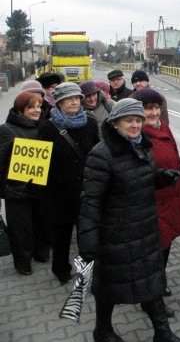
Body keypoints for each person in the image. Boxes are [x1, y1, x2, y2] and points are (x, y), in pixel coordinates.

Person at [78, 99, 180, 342]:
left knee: (152, 281)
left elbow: (142, 179)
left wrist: (162, 177)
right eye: (129, 120)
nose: (135, 125)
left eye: (139, 120)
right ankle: (103, 331)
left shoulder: (143, 146)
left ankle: (162, 333)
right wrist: (88, 243)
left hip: (146, 228)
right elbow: (90, 202)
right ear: (115, 122)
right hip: (117, 234)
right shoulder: (102, 155)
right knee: (108, 286)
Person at [131, 88, 180, 306]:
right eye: (149, 108)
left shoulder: (164, 128)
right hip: (153, 200)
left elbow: (175, 157)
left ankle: (158, 283)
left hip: (172, 195)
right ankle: (150, 297)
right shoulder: (136, 135)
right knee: (153, 250)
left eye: (157, 108)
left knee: (165, 246)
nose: (154, 113)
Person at [38, 83, 100, 284]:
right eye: (69, 99)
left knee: (87, 237)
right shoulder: (47, 127)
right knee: (61, 237)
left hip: (85, 192)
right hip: (58, 194)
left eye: (77, 98)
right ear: (59, 102)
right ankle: (61, 270)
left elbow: (98, 154)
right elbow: (38, 162)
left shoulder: (90, 123)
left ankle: (87, 272)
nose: (74, 102)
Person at [0, 91, 50, 275]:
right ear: (20, 109)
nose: (37, 110)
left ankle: (41, 253)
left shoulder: (45, 127)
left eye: (39, 106)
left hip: (40, 187)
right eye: (31, 107)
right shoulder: (6, 130)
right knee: (21, 230)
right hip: (17, 190)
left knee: (42, 223)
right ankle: (23, 263)